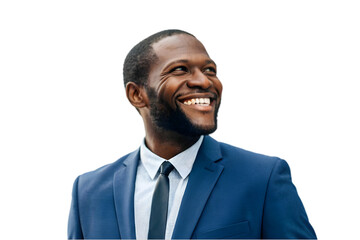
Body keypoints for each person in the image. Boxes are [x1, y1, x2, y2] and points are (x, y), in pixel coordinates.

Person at [68, 29, 316, 239]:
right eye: (180, 70)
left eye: (209, 70)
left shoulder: (263, 179)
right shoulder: (88, 191)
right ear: (136, 94)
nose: (204, 81)